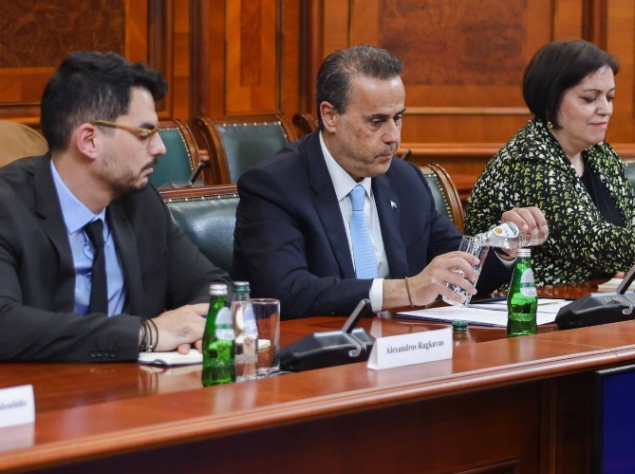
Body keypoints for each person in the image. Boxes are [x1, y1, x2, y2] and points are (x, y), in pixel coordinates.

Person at [0, 52, 226, 368]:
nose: (160, 148)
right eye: (145, 133)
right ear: (89, 140)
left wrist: (201, 327)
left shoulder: (139, 201)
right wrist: (145, 334)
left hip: (117, 390)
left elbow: (213, 287)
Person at [233, 45, 547, 320]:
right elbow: (285, 292)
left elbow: (457, 271)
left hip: (401, 347)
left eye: (397, 118)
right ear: (330, 116)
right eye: (376, 121)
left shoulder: (405, 179)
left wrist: (504, 247)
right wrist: (406, 290)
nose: (393, 137)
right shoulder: (274, 186)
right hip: (320, 356)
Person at [463, 40, 635, 288]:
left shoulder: (599, 152)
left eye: (609, 97)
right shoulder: (528, 159)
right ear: (550, 101)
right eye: (590, 98)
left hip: (589, 299)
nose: (606, 109)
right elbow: (589, 241)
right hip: (526, 307)